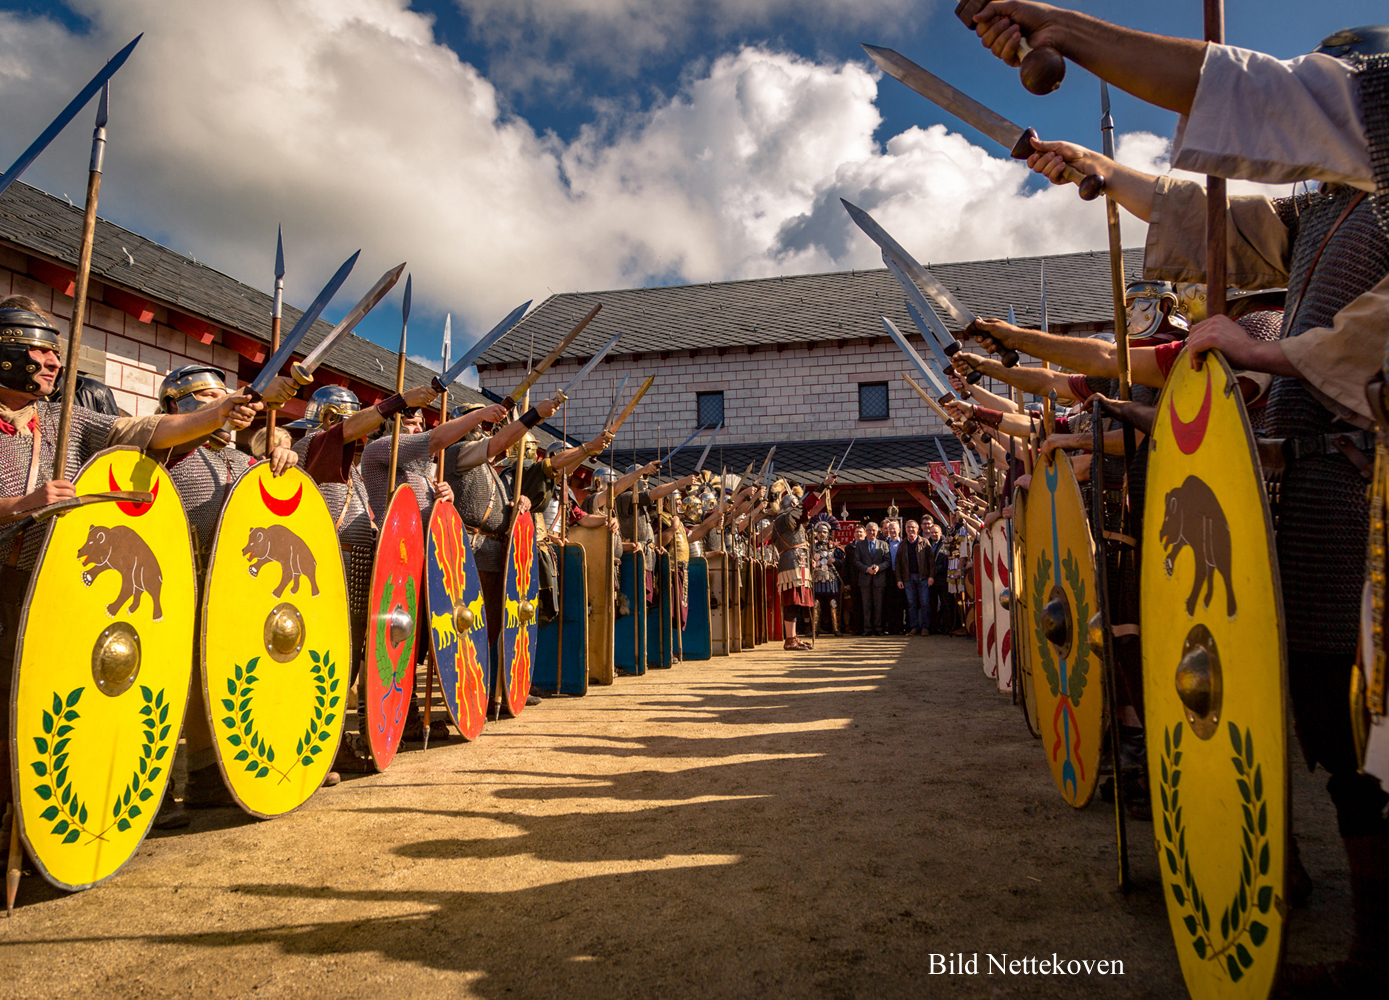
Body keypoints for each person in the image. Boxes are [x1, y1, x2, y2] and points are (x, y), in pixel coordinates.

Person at [970, 6, 1389, 987]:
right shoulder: (1326, 210)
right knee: (1335, 720)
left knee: (1366, 714)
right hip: (1317, 472)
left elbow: (1265, 101)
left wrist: (1277, 349)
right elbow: (1221, 221)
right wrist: (1106, 174)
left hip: (1363, 472)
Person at [148, 362, 301, 824]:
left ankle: (216, 774)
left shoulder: (240, 458)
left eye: (222, 398)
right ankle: (168, 786)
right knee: (175, 682)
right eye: (205, 399)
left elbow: (269, 503)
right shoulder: (170, 448)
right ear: (177, 405)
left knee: (221, 676)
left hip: (235, 585)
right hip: (182, 575)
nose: (219, 408)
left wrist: (285, 459)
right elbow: (163, 445)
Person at [290, 382, 439, 767]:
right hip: (325, 573)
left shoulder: (351, 468)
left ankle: (341, 740)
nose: (366, 432)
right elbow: (344, 432)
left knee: (352, 660)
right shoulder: (315, 449)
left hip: (357, 574)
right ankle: (320, 747)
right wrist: (400, 403)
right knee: (325, 662)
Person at [895, 520, 934, 636]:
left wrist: (931, 576)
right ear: (905, 529)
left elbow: (931, 562)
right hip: (908, 578)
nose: (910, 529)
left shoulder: (925, 542)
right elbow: (897, 563)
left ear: (917, 529)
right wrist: (899, 579)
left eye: (912, 527)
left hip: (923, 577)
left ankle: (925, 627)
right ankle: (914, 627)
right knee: (911, 604)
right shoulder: (902, 544)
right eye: (908, 527)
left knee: (925, 603)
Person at [852, 522, 890, 636]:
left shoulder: (883, 544)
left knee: (879, 606)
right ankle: (867, 629)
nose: (871, 532)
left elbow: (888, 561)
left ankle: (878, 629)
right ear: (866, 532)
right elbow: (856, 561)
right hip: (865, 579)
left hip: (879, 579)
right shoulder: (860, 545)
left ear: (877, 531)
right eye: (869, 530)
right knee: (866, 606)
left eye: (873, 530)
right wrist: (866, 569)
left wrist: (879, 567)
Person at [811, 522, 842, 636]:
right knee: (815, 604)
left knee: (833, 603)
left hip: (831, 578)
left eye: (824, 532)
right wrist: (811, 563)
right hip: (816, 578)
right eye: (819, 532)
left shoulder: (835, 547)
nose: (821, 534)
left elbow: (843, 562)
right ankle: (814, 629)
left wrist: (835, 561)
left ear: (828, 533)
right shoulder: (812, 548)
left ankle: (836, 629)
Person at [926, 520, 950, 634]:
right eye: (932, 532)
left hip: (942, 579)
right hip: (930, 580)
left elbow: (946, 563)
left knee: (945, 604)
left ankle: (946, 627)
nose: (934, 534)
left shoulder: (945, 544)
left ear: (940, 533)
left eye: (936, 532)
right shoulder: (926, 544)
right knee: (932, 604)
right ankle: (933, 628)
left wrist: (933, 571)